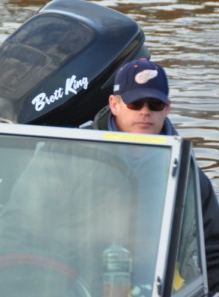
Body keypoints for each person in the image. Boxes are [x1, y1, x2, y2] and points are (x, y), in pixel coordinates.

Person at [83, 58, 219, 294]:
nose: (145, 112)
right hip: (84, 284)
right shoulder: (74, 157)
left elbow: (213, 252)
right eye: (135, 104)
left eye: (155, 104)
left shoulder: (190, 177)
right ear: (114, 104)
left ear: (167, 108)